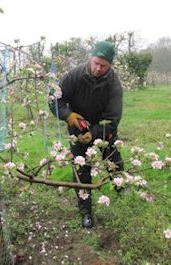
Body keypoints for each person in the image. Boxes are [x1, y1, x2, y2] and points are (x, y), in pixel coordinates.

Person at [50, 40, 124, 228]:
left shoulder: (114, 85)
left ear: (110, 65)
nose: (98, 68)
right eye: (95, 63)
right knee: (81, 170)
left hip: (103, 129)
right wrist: (68, 115)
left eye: (103, 65)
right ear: (90, 58)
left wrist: (95, 133)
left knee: (114, 163)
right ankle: (86, 212)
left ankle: (123, 194)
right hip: (78, 128)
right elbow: (54, 100)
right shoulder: (74, 76)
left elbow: (113, 118)